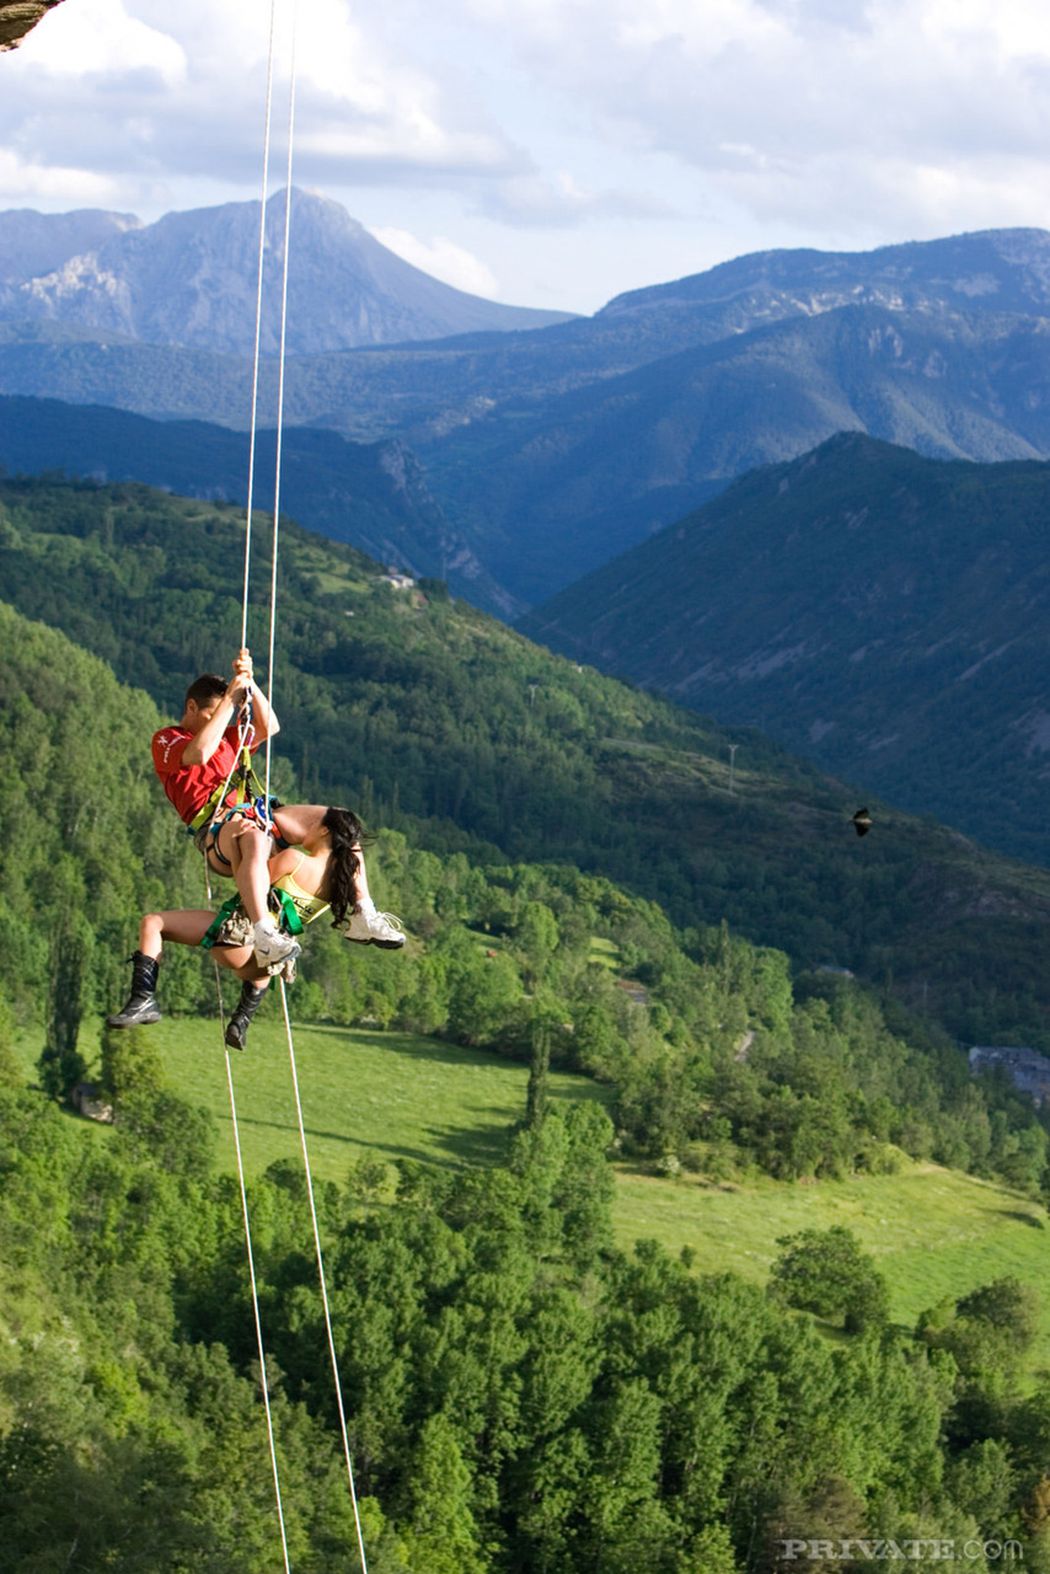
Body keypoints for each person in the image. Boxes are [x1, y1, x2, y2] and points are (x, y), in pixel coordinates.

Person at [150, 648, 403, 966]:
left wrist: (250, 685)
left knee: (340, 822)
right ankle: (264, 931)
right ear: (191, 707)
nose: (220, 721)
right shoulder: (167, 739)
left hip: (255, 811)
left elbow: (270, 727)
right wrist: (229, 701)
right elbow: (199, 754)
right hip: (217, 828)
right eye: (213, 714)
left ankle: (364, 912)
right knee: (253, 837)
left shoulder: (230, 738)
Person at [108, 807, 392, 1051]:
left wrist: (231, 833)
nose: (308, 826)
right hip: (263, 968)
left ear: (324, 832)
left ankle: (143, 999)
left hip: (237, 942)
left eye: (313, 823)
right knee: (273, 944)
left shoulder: (295, 859)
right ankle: (241, 1020)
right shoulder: (336, 885)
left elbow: (250, 880)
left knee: (153, 923)